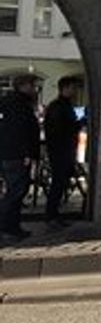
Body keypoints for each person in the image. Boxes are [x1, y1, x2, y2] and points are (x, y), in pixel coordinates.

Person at [0, 75, 41, 243]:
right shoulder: (19, 104)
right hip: (16, 155)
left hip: (11, 153)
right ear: (23, 86)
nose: (34, 89)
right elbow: (20, 131)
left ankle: (13, 227)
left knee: (16, 191)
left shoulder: (12, 102)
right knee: (16, 192)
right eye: (32, 85)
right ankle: (6, 227)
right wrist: (26, 153)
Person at [43, 76, 85, 226]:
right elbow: (63, 129)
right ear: (64, 88)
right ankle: (51, 215)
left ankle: (53, 214)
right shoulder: (60, 107)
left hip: (62, 150)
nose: (75, 91)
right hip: (61, 151)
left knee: (60, 183)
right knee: (58, 183)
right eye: (73, 88)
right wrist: (81, 122)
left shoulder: (60, 106)